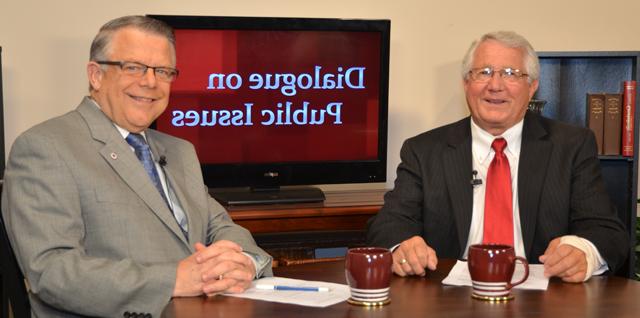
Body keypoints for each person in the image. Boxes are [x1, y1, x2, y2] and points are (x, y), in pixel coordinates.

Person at [1, 15, 272, 317]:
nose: (150, 82)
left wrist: (244, 262)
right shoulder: (46, 146)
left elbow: (219, 227)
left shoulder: (180, 151)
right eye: (133, 67)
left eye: (163, 71)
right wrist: (173, 280)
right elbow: (52, 271)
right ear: (96, 75)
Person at [367, 31, 628, 283]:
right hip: (448, 297)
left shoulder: (571, 146)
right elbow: (388, 224)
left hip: (545, 300)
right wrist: (403, 246)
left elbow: (607, 232)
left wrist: (583, 252)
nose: (495, 85)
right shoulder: (423, 150)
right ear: (466, 83)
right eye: (484, 72)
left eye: (511, 74)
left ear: (532, 86)